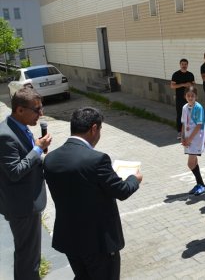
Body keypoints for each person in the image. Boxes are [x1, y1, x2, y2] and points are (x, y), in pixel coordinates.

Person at [43, 107, 140, 280]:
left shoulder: (50, 159)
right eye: (100, 130)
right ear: (94, 128)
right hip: (99, 243)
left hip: (70, 240)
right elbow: (122, 191)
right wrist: (134, 178)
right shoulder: (97, 159)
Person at [0, 88, 52, 280]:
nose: (41, 114)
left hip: (28, 203)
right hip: (21, 207)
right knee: (27, 256)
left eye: (41, 108)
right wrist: (37, 149)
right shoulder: (5, 135)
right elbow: (14, 172)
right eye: (36, 110)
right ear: (20, 110)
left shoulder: (20, 126)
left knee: (30, 255)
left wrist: (38, 149)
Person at [181, 86, 205, 196]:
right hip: (187, 138)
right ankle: (199, 184)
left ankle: (202, 184)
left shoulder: (199, 107)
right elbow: (183, 123)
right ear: (185, 96)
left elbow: (199, 125)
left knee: (190, 164)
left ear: (196, 96)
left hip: (196, 138)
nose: (190, 98)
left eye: (192, 96)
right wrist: (182, 137)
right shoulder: (185, 107)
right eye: (188, 96)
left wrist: (189, 139)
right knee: (194, 162)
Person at [170, 58, 195, 139]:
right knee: (180, 115)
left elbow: (193, 85)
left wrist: (190, 85)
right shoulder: (176, 74)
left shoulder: (190, 74)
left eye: (185, 64)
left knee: (190, 114)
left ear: (187, 65)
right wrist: (183, 85)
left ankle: (190, 131)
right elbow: (172, 86)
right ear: (180, 65)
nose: (184, 66)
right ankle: (180, 132)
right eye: (182, 64)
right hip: (180, 98)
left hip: (190, 98)